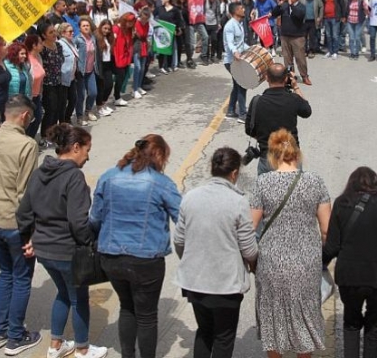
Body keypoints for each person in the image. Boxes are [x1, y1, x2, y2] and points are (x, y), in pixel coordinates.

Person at [16, 124, 107, 358]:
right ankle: (83, 348)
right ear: (76, 147)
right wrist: (89, 243)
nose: (88, 156)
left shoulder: (39, 172)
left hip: (44, 251)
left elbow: (23, 212)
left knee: (63, 294)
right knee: (79, 299)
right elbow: (78, 223)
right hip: (67, 251)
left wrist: (27, 238)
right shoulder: (74, 177)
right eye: (87, 150)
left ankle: (55, 345)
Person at [90, 134, 182, 358]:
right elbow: (183, 218)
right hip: (146, 259)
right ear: (158, 154)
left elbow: (94, 218)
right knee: (147, 315)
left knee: (127, 307)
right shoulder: (161, 183)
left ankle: (127, 355)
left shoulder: (109, 176)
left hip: (111, 257)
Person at [250, 129, 331, 357]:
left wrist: (252, 259)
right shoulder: (315, 182)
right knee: (304, 318)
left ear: (273, 157)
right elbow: (326, 230)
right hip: (306, 264)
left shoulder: (262, 183)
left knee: (273, 318)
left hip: (271, 264)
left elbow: (249, 228)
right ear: (297, 153)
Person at [174, 147, 258, 358]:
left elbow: (179, 241)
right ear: (234, 173)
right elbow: (249, 249)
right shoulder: (238, 202)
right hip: (226, 285)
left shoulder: (190, 197)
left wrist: (192, 260)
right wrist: (254, 265)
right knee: (223, 337)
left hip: (195, 282)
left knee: (204, 332)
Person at [0, 95, 41, 354]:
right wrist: (31, 232)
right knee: (22, 278)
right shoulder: (26, 144)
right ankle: (15, 336)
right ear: (25, 116)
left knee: (5, 275)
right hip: (14, 222)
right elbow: (24, 193)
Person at [323, 167, 377, 358]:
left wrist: (318, 265)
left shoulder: (342, 203)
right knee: (373, 328)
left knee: (351, 323)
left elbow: (332, 246)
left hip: (350, 277)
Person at [245, 63, 312, 175]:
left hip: (267, 158)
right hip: (291, 157)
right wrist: (295, 86)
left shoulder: (257, 101)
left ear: (267, 78)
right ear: (286, 78)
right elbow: (307, 111)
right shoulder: (293, 99)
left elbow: (249, 129)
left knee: (266, 191)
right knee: (294, 191)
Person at [273, 0, 312, 85]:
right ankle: (290, 76)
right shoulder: (284, 6)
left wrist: (291, 5)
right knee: (287, 59)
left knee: (300, 58)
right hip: (285, 36)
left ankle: (304, 76)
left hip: (297, 37)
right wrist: (279, 5)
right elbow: (274, 13)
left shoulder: (301, 7)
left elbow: (299, 15)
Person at [37, 21, 66, 146]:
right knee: (50, 109)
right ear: (43, 35)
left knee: (59, 108)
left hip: (58, 81)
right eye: (51, 32)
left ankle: (54, 135)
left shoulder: (58, 46)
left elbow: (61, 61)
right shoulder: (41, 49)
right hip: (47, 84)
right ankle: (45, 135)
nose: (54, 34)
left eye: (54, 31)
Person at [223, 2, 249, 121]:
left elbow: (240, 44)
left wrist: (251, 49)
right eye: (241, 8)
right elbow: (230, 43)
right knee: (242, 84)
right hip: (231, 61)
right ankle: (243, 115)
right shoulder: (230, 26)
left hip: (238, 59)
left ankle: (230, 111)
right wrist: (235, 52)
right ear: (235, 12)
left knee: (237, 85)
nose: (243, 9)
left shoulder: (239, 24)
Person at [74, 18, 100, 124]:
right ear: (79, 28)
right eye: (84, 26)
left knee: (93, 92)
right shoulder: (77, 39)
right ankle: (79, 116)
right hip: (81, 71)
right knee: (80, 95)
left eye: (87, 25)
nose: (86, 27)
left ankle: (88, 111)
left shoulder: (92, 38)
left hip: (91, 70)